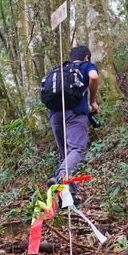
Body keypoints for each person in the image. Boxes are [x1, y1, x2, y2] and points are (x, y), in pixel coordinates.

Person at [46, 45, 99, 203]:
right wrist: (92, 101)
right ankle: (60, 176)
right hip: (75, 113)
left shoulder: (60, 69)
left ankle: (68, 197)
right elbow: (94, 77)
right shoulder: (85, 65)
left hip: (55, 115)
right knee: (75, 150)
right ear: (87, 57)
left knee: (66, 155)